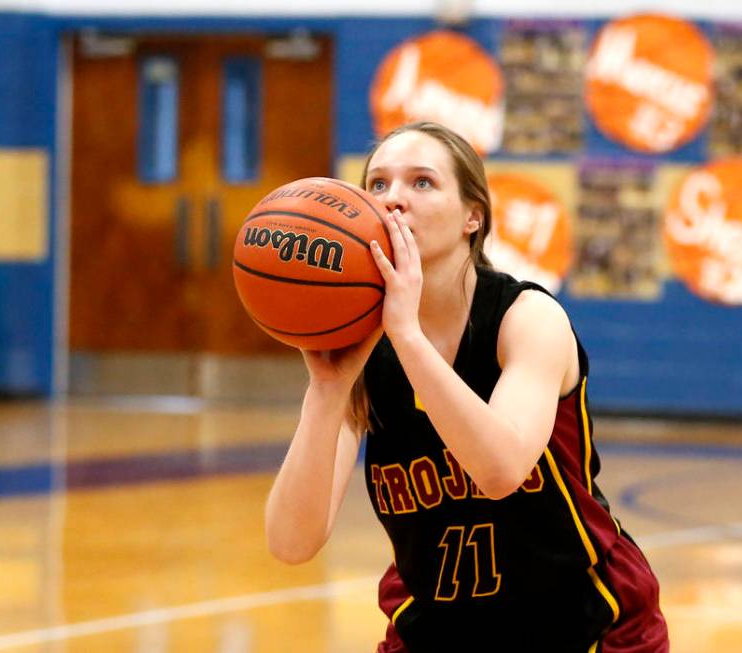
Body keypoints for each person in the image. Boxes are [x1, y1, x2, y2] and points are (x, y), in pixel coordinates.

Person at [264, 121, 669, 653]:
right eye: (378, 184)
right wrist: (327, 392)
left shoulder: (526, 319)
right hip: (435, 631)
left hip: (584, 626)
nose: (393, 201)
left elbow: (500, 470)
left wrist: (406, 334)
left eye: (422, 182)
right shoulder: (359, 349)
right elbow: (291, 543)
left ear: (472, 217)